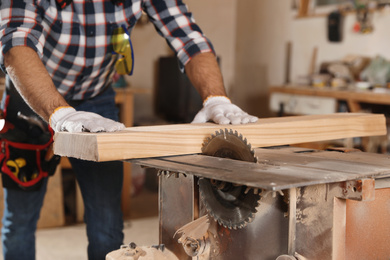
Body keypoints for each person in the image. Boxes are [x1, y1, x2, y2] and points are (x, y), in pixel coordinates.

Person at [0, 0, 258, 259]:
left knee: (107, 220)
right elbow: (15, 45)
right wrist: (60, 113)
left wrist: (216, 99)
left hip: (95, 97)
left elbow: (189, 37)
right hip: (29, 99)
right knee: (20, 218)